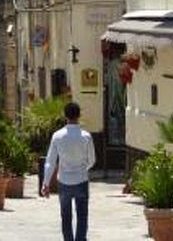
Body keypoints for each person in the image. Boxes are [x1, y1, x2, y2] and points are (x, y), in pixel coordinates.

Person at [41, 102, 96, 241]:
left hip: (64, 181)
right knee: (82, 215)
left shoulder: (57, 136)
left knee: (66, 216)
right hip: (81, 180)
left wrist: (45, 183)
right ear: (79, 115)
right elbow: (92, 160)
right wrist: (84, 169)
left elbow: (50, 161)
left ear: (65, 116)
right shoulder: (86, 136)